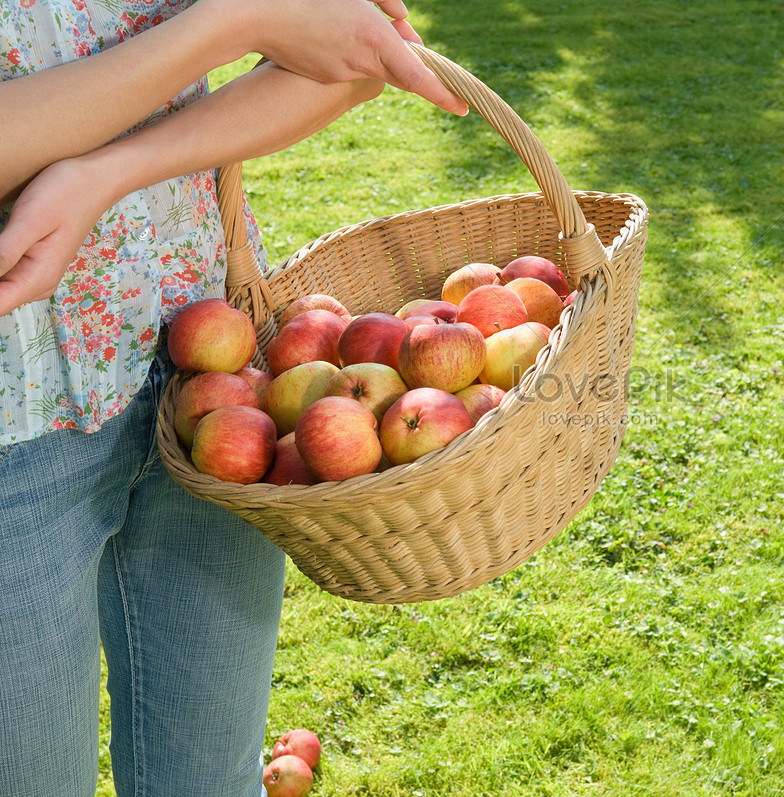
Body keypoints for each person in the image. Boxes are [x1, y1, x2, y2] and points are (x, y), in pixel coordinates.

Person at [0, 1, 467, 795]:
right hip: (16, 415)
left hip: (211, 370)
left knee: (211, 780)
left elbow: (364, 54)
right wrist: (240, 18)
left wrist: (107, 172)